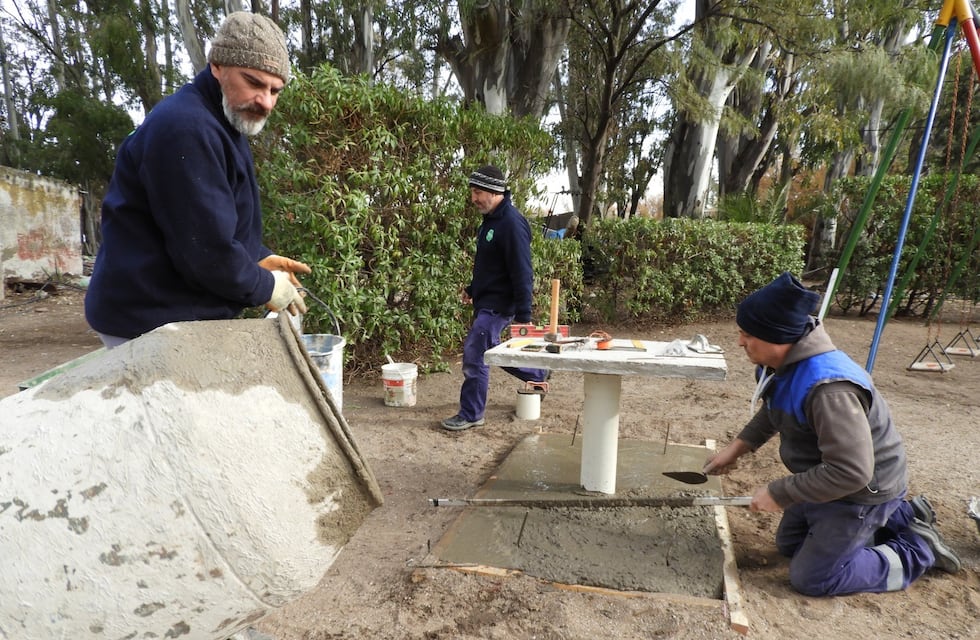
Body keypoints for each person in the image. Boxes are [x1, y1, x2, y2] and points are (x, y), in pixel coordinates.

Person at [703, 271, 960, 596]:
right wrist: (737, 449)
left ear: (777, 336)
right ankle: (902, 516)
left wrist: (780, 492)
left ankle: (918, 549)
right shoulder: (782, 366)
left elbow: (852, 472)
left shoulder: (829, 391)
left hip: (860, 490)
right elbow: (776, 408)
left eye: (747, 334)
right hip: (828, 477)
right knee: (789, 545)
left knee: (814, 578)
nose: (740, 342)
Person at [85, 11, 309, 349]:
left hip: (171, 313)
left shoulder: (224, 121)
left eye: (275, 90)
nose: (265, 101)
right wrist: (265, 286)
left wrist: (256, 256)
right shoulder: (186, 128)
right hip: (148, 323)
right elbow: (206, 252)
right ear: (217, 65)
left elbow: (214, 220)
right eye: (254, 82)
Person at [441, 165, 549, 431]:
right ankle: (538, 373)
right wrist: (473, 289)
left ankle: (471, 414)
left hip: (499, 305)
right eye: (473, 192)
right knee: (490, 352)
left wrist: (524, 316)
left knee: (475, 353)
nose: (473, 198)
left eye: (478, 192)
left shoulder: (511, 224)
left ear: (493, 191)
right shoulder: (491, 221)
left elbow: (523, 272)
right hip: (487, 301)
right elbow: (489, 266)